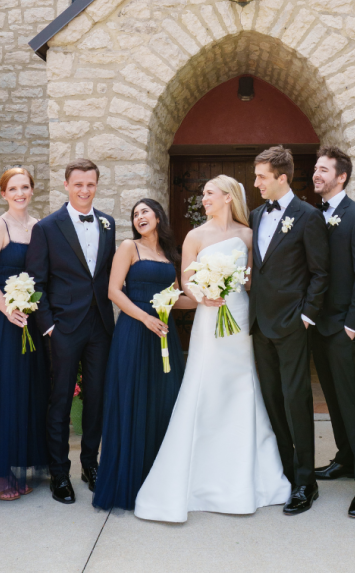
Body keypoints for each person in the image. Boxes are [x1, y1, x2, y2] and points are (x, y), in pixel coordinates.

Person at [135, 177, 291, 522]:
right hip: (208, 315)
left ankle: (249, 477)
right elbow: (185, 281)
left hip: (238, 313)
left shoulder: (248, 235)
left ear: (227, 197)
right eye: (203, 193)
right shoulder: (195, 236)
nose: (204, 198)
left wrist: (235, 282)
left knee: (242, 385)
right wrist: (203, 293)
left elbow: (254, 279)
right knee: (205, 383)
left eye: (209, 193)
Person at [25, 158, 116, 504]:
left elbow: (105, 275)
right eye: (78, 184)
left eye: (90, 184)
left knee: (96, 398)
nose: (84, 190)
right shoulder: (47, 228)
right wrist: (48, 325)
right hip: (62, 327)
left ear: (96, 185)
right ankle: (59, 473)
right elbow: (36, 281)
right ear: (66, 185)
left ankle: (89, 465)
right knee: (60, 400)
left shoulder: (107, 223)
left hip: (100, 326)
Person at [93, 198, 189, 511]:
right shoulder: (128, 248)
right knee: (132, 400)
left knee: (163, 400)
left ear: (158, 216)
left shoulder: (168, 255)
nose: (139, 217)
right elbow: (113, 291)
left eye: (144, 211)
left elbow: (175, 299)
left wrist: (207, 299)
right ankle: (128, 482)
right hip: (135, 332)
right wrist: (145, 317)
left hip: (163, 336)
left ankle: (157, 480)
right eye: (135, 214)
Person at [250, 145, 330, 515]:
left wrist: (306, 316)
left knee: (296, 401)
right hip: (259, 324)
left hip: (292, 324)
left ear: (283, 178)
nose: (256, 183)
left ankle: (305, 482)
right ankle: (282, 472)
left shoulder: (307, 216)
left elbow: (320, 272)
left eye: (262, 177)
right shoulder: (254, 215)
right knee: (272, 401)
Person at [0, 167, 49, 499]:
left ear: (32, 190)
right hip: (3, 323)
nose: (20, 193)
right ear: (3, 193)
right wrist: (8, 309)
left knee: (28, 390)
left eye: (25, 187)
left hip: (30, 320)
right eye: (13, 188)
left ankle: (19, 463)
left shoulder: (39, 227)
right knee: (5, 392)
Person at [311, 146, 355, 518]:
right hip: (318, 326)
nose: (316, 174)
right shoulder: (312, 215)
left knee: (351, 402)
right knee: (334, 401)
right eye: (316, 169)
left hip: (344, 328)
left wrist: (354, 326)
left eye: (324, 170)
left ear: (342, 177)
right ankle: (346, 458)